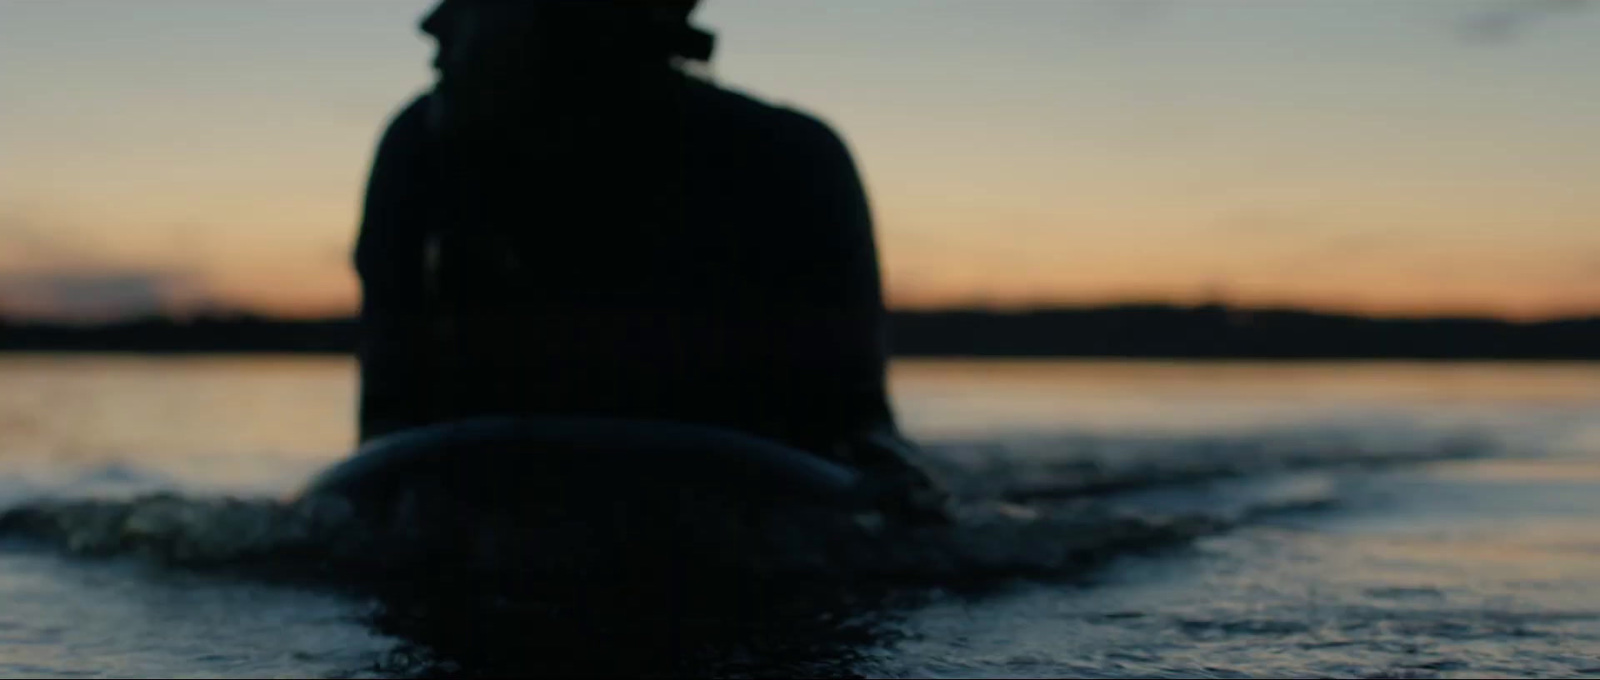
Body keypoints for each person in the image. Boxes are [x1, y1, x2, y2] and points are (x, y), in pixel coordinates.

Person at [353, 0, 947, 521]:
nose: (432, 23)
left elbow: (860, 438)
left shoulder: (793, 161)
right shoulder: (419, 151)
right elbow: (384, 431)